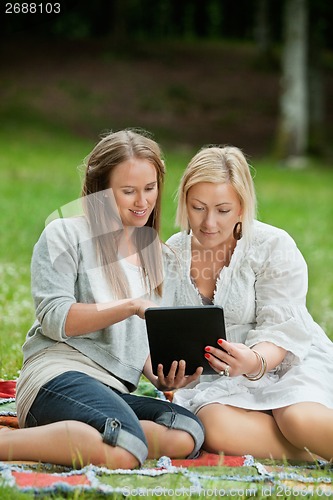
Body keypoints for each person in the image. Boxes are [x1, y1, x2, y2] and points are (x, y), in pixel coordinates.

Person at [0, 129, 204, 469]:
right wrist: (129, 306)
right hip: (57, 376)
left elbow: (143, 352)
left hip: (112, 392)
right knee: (126, 449)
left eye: (150, 188)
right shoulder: (65, 233)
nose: (142, 202)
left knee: (186, 431)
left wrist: (165, 374)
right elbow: (55, 317)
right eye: (128, 192)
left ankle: (69, 435)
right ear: (100, 190)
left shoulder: (162, 259)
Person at [166, 145, 333, 462]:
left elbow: (283, 330)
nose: (209, 223)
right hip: (223, 378)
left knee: (298, 420)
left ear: (242, 207)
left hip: (282, 359)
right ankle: (315, 453)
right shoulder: (172, 253)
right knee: (213, 426)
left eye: (223, 210)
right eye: (198, 207)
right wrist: (172, 373)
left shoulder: (273, 245)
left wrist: (254, 362)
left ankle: (309, 437)